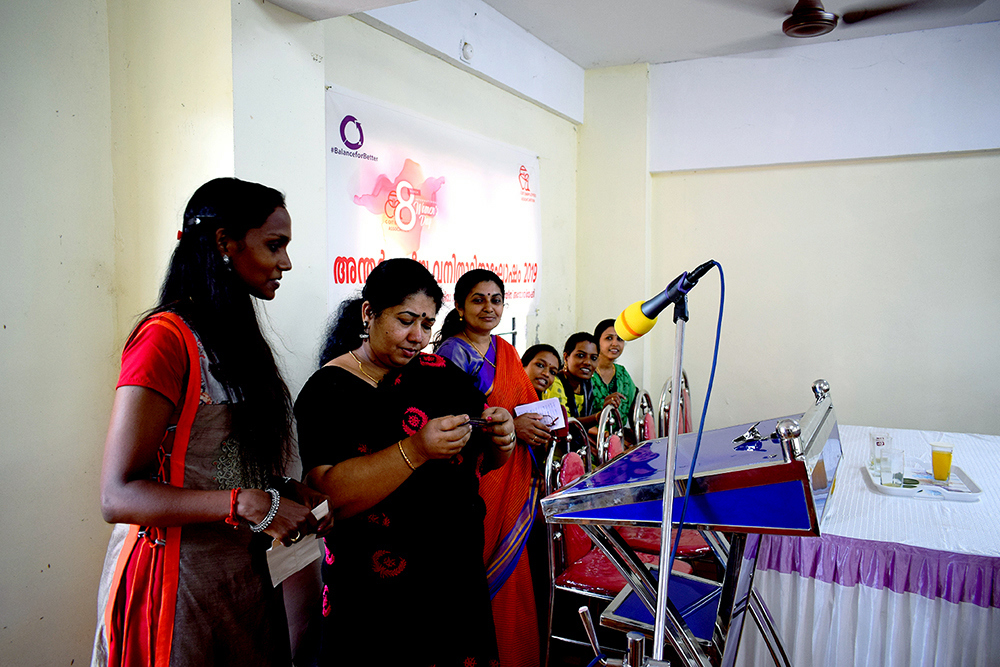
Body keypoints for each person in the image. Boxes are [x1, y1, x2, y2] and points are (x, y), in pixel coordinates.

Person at [93, 178, 333, 667]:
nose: (286, 262)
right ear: (225, 242)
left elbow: (216, 463)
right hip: (174, 583)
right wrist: (244, 502)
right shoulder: (164, 339)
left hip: (241, 577)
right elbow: (117, 496)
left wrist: (280, 489)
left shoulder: (233, 338)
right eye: (274, 245)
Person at [295, 258, 515, 667]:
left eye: (427, 325)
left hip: (454, 577)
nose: (418, 337)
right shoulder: (330, 389)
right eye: (406, 320)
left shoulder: (440, 374)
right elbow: (326, 494)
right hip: (377, 591)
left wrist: (503, 438)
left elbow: (481, 462)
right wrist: (415, 450)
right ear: (369, 313)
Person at [434, 270, 549, 667]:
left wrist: (545, 422)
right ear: (460, 306)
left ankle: (517, 655)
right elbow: (451, 420)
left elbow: (525, 404)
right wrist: (512, 425)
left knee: (515, 573)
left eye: (496, 299)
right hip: (477, 478)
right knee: (479, 568)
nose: (489, 307)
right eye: (478, 299)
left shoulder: (507, 351)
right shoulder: (451, 354)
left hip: (512, 477)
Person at [543, 332, 616, 428]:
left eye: (593, 358)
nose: (588, 362)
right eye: (580, 356)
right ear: (566, 357)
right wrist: (598, 417)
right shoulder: (555, 384)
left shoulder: (587, 385)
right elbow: (563, 424)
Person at [591, 319, 637, 425]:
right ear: (597, 341)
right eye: (609, 338)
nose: (615, 344)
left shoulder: (622, 373)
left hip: (619, 433)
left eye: (620, 339)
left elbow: (633, 409)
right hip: (589, 434)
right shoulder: (587, 371)